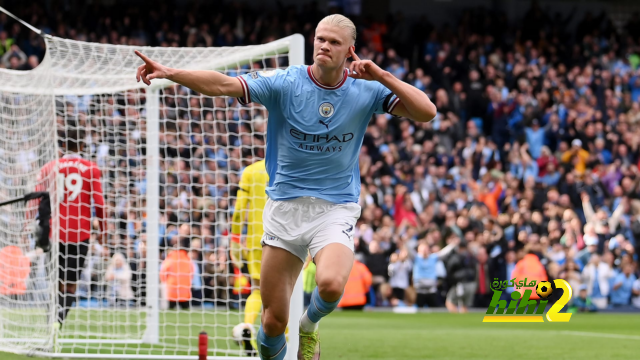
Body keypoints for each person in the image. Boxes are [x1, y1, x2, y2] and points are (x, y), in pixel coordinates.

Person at [135, 13, 436, 360]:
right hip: (284, 209)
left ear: (350, 50)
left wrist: (381, 75)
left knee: (331, 283)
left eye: (334, 42)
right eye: (320, 38)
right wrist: (170, 73)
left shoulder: (366, 90)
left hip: (334, 207)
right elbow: (223, 84)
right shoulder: (286, 82)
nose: (324, 45)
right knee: (273, 322)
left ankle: (308, 326)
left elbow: (426, 111)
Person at [37, 128, 106, 329]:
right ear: (83, 145)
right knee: (71, 283)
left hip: (55, 232)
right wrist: (102, 231)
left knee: (56, 281)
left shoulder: (49, 167)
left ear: (63, 145)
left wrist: (28, 226)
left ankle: (53, 320)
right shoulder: (91, 168)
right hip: (80, 233)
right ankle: (58, 322)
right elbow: (100, 204)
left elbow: (37, 200)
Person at [229, 159, 269, 356]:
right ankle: (285, 338)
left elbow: (238, 212)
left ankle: (247, 325)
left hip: (256, 240)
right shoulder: (292, 164)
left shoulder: (251, 172)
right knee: (285, 292)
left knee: (257, 289)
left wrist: (235, 240)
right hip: (287, 238)